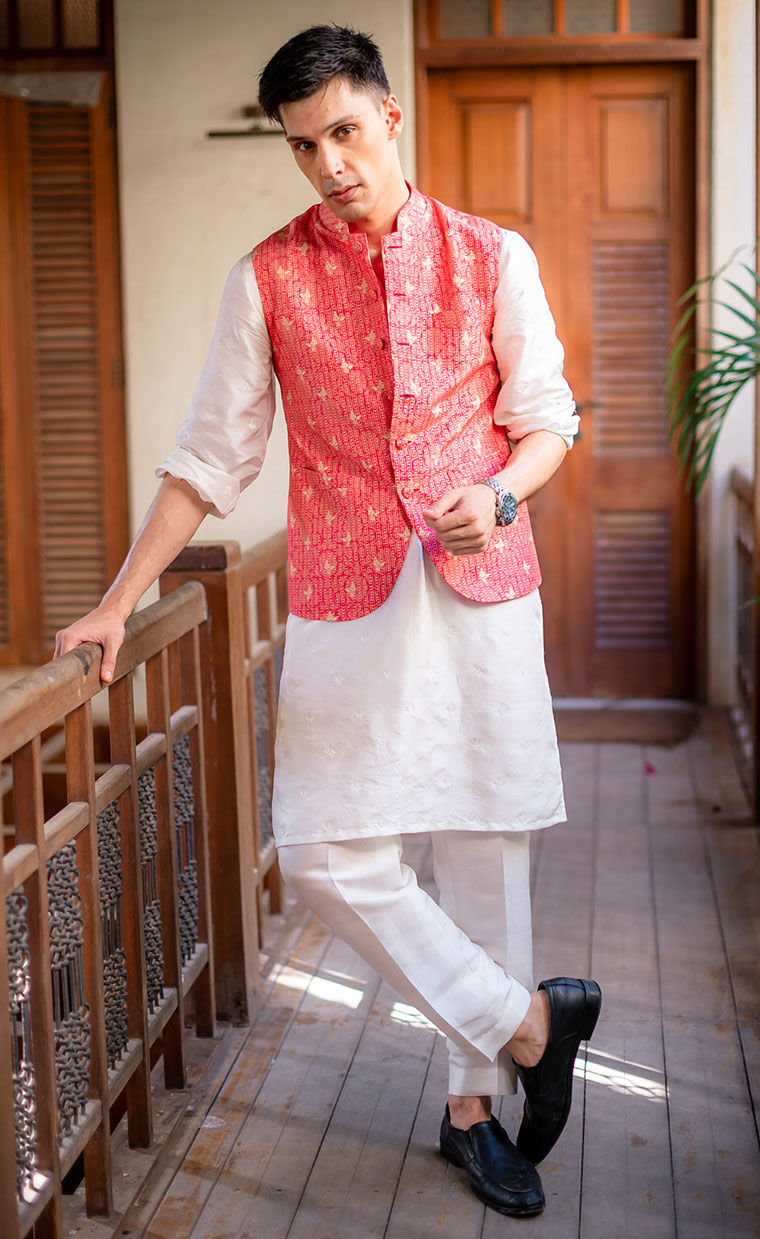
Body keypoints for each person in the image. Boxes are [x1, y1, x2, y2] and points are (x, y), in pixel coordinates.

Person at [55, 24, 601, 1220]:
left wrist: (501, 494)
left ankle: (471, 1115)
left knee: (485, 851)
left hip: (482, 589)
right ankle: (527, 1023)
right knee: (320, 855)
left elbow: (548, 419)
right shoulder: (266, 277)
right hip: (347, 593)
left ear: (390, 117)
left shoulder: (493, 254)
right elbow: (210, 458)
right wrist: (117, 600)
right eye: (304, 147)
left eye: (345, 133)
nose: (329, 165)